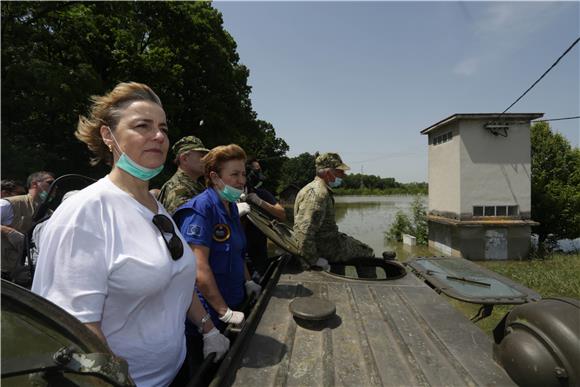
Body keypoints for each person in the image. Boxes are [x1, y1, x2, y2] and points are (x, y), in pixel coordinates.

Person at [31, 82, 229, 387]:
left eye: (163, 127)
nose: (160, 135)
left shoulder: (157, 208)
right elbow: (75, 329)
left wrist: (208, 330)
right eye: (142, 126)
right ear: (108, 136)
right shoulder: (86, 213)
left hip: (178, 371)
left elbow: (177, 276)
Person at [174, 144, 262, 334]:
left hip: (235, 301)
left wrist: (248, 281)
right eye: (234, 175)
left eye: (243, 174)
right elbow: (198, 268)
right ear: (215, 177)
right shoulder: (200, 210)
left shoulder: (230, 208)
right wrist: (224, 312)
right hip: (209, 317)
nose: (241, 181)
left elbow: (237, 252)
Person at [293, 152, 376, 277]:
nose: (344, 175)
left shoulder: (313, 188)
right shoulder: (317, 194)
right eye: (340, 171)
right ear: (328, 173)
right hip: (325, 247)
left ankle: (338, 276)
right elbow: (303, 232)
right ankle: (367, 288)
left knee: (348, 246)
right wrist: (313, 260)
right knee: (367, 252)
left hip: (328, 242)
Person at [1, 172, 54, 278]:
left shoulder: (52, 215)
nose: (55, 186)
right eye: (50, 183)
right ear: (35, 184)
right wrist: (8, 231)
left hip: (25, 277)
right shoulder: (8, 204)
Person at [242, 157, 286, 275]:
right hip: (238, 257)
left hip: (259, 255)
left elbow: (281, 215)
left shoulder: (261, 193)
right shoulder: (228, 195)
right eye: (256, 171)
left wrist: (260, 202)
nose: (258, 174)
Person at [158, 135, 209, 215]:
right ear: (184, 159)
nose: (206, 160)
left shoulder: (195, 184)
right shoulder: (177, 188)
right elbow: (187, 222)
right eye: (201, 156)